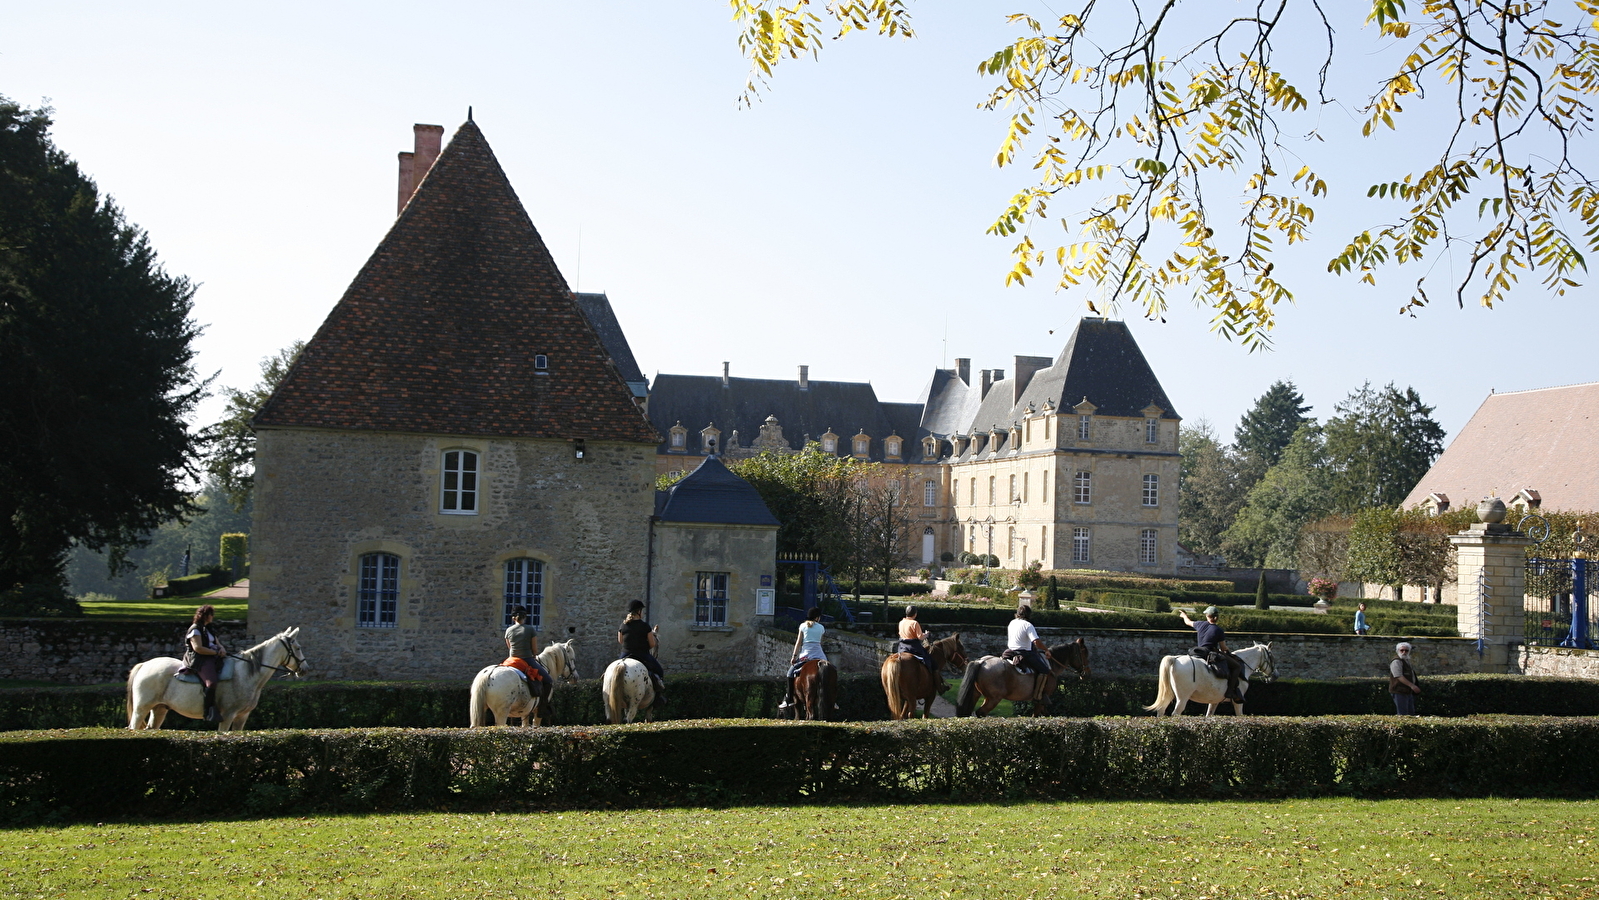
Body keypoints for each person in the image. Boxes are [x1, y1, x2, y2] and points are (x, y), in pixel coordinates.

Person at [1178, 606, 1245, 702]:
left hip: (1198, 651)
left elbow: (1188, 622)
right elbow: (1223, 648)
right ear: (1216, 617)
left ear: (1207, 616)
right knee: (1237, 666)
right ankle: (1230, 691)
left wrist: (1184, 615)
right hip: (1210, 653)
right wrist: (1228, 651)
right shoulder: (1219, 630)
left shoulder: (1200, 624)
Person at [777, 607, 827, 710]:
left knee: (790, 674)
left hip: (806, 655)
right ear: (817, 618)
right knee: (832, 671)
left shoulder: (802, 626)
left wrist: (794, 657)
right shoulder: (821, 628)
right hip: (819, 655)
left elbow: (798, 643)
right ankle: (833, 701)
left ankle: (789, 699)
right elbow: (820, 643)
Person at [184, 604, 226, 722]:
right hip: (200, 659)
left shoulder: (209, 629)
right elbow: (198, 648)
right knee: (211, 683)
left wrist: (221, 648)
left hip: (213, 657)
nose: (213, 617)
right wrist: (216, 652)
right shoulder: (195, 629)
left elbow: (217, 643)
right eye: (211, 614)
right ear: (205, 616)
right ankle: (208, 711)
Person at [618, 599, 665, 703]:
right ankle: (658, 698)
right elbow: (652, 644)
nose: (643, 613)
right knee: (659, 671)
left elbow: (620, 641)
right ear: (638, 612)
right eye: (642, 611)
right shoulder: (645, 626)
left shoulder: (623, 625)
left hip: (625, 654)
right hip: (642, 654)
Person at [1006, 604, 1054, 701]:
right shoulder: (1028, 625)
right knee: (1045, 670)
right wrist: (1046, 650)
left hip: (1009, 652)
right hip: (1024, 653)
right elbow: (1036, 642)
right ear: (1029, 615)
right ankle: (1038, 695)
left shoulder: (1012, 622)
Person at [502, 607, 550, 687]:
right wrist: (534, 655)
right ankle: (543, 699)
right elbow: (534, 649)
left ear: (513, 618)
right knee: (548, 681)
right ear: (525, 617)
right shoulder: (530, 629)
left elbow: (509, 646)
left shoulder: (508, 630)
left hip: (512, 659)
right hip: (527, 659)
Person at [1389, 642, 1421, 715]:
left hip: (1407, 691)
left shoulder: (1406, 660)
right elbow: (1398, 676)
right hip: (1399, 690)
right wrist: (1412, 686)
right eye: (1402, 650)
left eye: (1406, 650)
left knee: (1410, 713)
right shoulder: (1396, 661)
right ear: (1398, 651)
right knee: (1403, 714)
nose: (1404, 652)